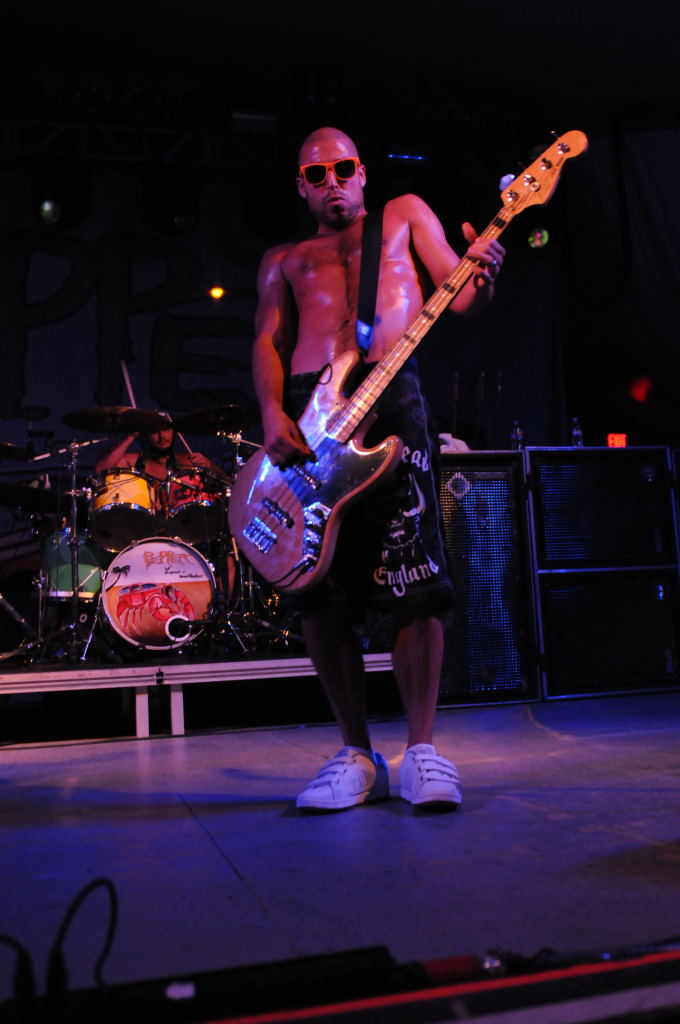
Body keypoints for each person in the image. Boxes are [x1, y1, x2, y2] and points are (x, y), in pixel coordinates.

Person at [251, 126, 505, 812]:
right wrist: (272, 414)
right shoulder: (284, 260)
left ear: (362, 172)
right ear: (301, 186)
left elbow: (460, 295)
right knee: (319, 585)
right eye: (316, 174)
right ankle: (356, 754)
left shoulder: (404, 214)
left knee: (414, 575)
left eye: (342, 168)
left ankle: (421, 751)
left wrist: (482, 276)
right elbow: (267, 340)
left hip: (391, 398)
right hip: (311, 415)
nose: (331, 181)